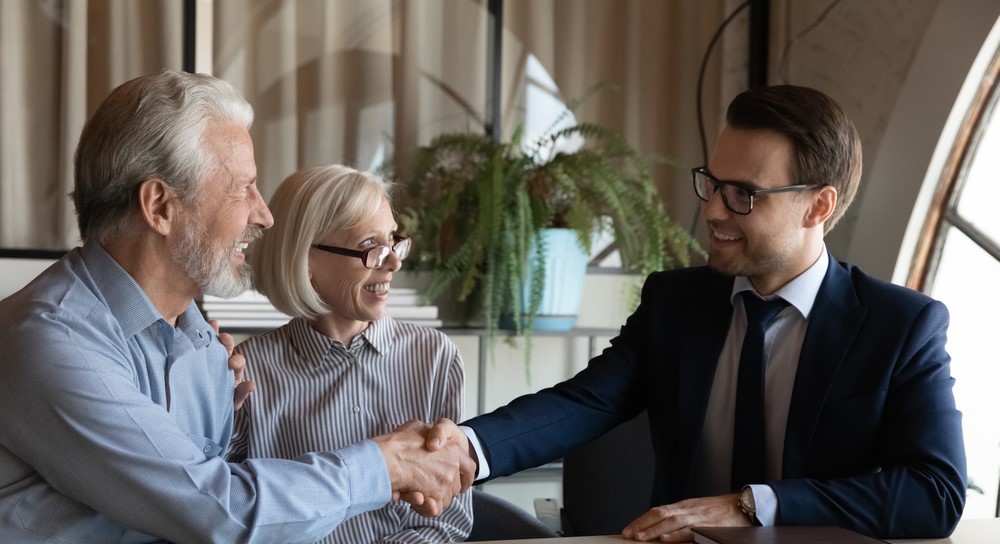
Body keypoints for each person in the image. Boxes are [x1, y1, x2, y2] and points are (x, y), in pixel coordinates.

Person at [430, 84, 967, 541]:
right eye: (712, 182)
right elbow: (583, 402)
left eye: (743, 195)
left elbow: (935, 492)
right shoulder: (675, 303)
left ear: (818, 207)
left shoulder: (901, 326)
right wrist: (467, 449)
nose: (711, 209)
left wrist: (751, 504)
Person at [0, 69, 473, 544]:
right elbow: (221, 512)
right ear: (160, 207)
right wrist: (387, 464)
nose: (264, 215)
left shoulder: (205, 347)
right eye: (241, 188)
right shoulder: (48, 340)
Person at [225, 164, 473, 543]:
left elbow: (449, 519)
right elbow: (228, 514)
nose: (393, 262)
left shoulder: (434, 356)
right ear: (306, 260)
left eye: (393, 241)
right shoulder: (246, 373)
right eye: (370, 247)